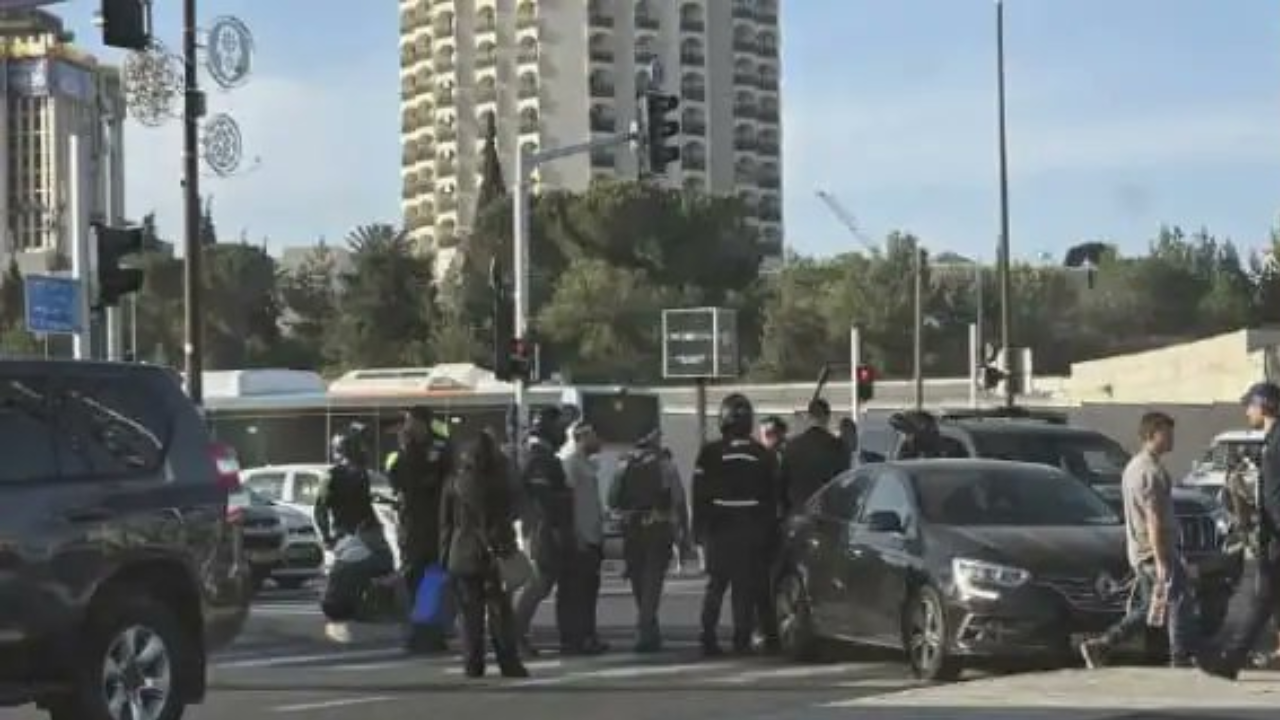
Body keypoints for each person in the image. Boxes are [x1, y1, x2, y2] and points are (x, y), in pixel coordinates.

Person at [1079, 411, 1201, 668]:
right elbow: (1153, 518)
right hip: (1153, 550)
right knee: (1178, 599)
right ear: (1152, 435)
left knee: (1149, 606)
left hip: (1147, 550)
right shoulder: (1148, 471)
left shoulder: (1139, 466)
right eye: (1167, 433)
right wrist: (1161, 558)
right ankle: (1180, 655)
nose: (1172, 439)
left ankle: (1102, 645)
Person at [1202, 382, 1280, 680]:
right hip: (1273, 536)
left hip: (1276, 539)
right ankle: (1230, 659)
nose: (1247, 411)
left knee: (1262, 601)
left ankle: (1230, 660)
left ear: (1264, 406)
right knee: (1266, 600)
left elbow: (1276, 498)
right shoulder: (1272, 440)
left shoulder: (1276, 443)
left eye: (1250, 405)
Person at [693, 393, 779, 656]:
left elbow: (698, 495)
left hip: (718, 530)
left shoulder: (709, 453)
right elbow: (772, 498)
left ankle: (708, 637)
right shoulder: (762, 454)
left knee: (716, 586)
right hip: (751, 530)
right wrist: (769, 533)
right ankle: (741, 639)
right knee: (744, 588)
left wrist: (698, 533)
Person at [439, 430, 530, 679]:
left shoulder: (454, 482)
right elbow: (514, 512)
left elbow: (445, 525)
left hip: (462, 553)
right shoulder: (500, 482)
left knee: (470, 613)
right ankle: (509, 663)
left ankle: (473, 663)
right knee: (500, 611)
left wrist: (444, 558)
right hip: (495, 551)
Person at [611, 428, 691, 653]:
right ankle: (645, 628)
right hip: (658, 527)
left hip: (632, 529)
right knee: (653, 584)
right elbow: (678, 500)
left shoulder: (623, 464)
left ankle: (649, 630)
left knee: (639, 583)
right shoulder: (665, 464)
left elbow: (612, 499)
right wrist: (684, 534)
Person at [386, 406, 453, 654]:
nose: (408, 426)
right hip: (412, 526)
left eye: (411, 421)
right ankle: (418, 633)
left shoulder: (441, 448)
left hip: (436, 524)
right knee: (413, 579)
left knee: (434, 580)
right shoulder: (404, 451)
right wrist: (405, 450)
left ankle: (433, 633)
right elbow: (397, 481)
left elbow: (447, 480)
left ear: (423, 422)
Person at [316, 424, 391, 635]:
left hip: (350, 532)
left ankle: (361, 601)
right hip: (360, 531)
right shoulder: (355, 474)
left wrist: (326, 536)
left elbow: (320, 509)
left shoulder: (336, 475)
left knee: (376, 565)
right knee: (383, 563)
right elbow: (322, 509)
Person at [512, 406, 575, 657]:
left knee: (542, 583)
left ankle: (516, 636)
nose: (564, 433)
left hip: (544, 526)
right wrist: (555, 527)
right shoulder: (538, 457)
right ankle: (514, 637)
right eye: (560, 427)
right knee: (537, 583)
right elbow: (543, 499)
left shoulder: (541, 455)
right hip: (541, 528)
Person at [561, 423, 609, 655]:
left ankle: (589, 635)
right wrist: (576, 534)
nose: (598, 440)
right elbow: (568, 502)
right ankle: (576, 638)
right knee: (578, 593)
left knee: (590, 591)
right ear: (581, 438)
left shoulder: (588, 465)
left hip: (594, 537)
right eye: (593, 436)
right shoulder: (572, 464)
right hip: (582, 538)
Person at [780, 398, 850, 515]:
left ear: (809, 417)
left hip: (797, 513)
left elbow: (782, 484)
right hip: (826, 514)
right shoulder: (838, 446)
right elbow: (844, 482)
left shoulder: (792, 446)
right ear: (827, 417)